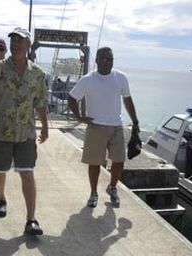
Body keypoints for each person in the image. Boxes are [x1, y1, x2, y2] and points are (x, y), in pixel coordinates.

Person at [0, 27, 48, 235]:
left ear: (28, 45)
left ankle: (31, 219)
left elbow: (41, 102)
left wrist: (44, 125)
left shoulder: (37, 73)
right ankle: (0, 199)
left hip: (26, 134)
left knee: (27, 173)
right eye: (13, 40)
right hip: (1, 133)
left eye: (20, 40)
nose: (16, 44)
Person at [67, 47, 139, 208]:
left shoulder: (121, 78)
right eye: (104, 59)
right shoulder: (87, 79)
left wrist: (135, 121)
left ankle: (112, 187)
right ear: (97, 60)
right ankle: (93, 193)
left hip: (116, 126)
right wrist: (79, 117)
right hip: (95, 126)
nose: (107, 62)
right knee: (94, 163)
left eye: (110, 59)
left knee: (119, 160)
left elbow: (128, 100)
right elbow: (72, 98)